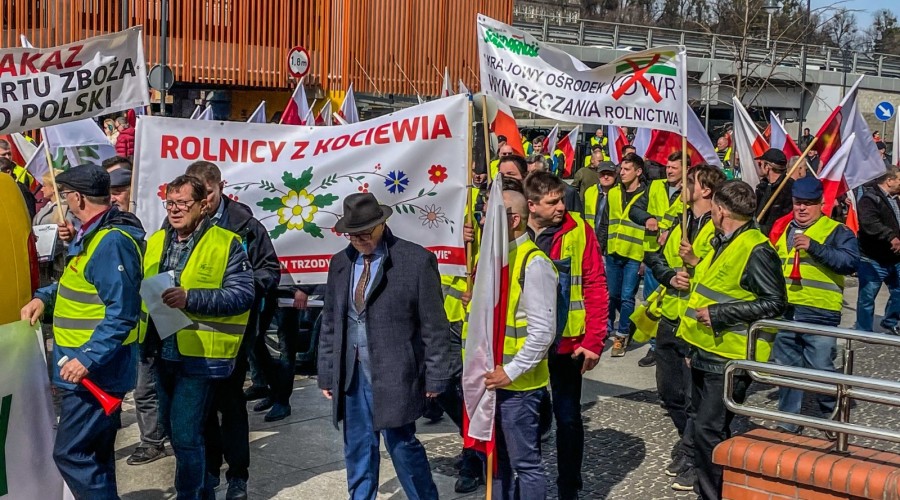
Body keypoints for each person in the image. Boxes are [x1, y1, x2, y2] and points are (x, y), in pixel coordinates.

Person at [20, 163, 144, 499]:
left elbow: (123, 312)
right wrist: (45, 298)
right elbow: (77, 285)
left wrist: (87, 358)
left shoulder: (110, 241)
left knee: (71, 453)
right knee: (95, 456)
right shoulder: (92, 234)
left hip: (93, 371)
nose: (64, 202)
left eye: (65, 195)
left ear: (77, 197)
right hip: (88, 367)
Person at [317, 193, 451, 500]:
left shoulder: (415, 260)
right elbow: (331, 323)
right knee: (358, 448)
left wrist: (436, 376)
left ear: (382, 224)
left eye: (366, 232)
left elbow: (434, 325)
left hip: (396, 373)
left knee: (402, 446)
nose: (360, 240)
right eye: (353, 235)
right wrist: (327, 372)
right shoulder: (340, 263)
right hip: (352, 376)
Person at [140, 174, 255, 499]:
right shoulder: (155, 241)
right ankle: (204, 489)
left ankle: (190, 494)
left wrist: (191, 298)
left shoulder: (226, 242)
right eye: (170, 203)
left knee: (186, 434)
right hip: (162, 353)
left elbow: (243, 295)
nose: (175, 210)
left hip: (202, 356)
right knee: (176, 432)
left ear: (203, 205)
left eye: (183, 203)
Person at [676, 180, 787, 500]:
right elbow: (720, 284)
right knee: (701, 426)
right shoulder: (723, 240)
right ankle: (705, 489)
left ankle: (713, 494)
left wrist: (720, 313)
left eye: (713, 206)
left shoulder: (757, 248)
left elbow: (776, 302)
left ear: (721, 211)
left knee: (708, 431)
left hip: (730, 355)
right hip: (705, 349)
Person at [184, 161, 280, 499]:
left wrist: (239, 287)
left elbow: (269, 270)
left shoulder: (246, 226)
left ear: (221, 187)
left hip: (233, 333)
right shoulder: (182, 224)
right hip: (192, 332)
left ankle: (238, 475)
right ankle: (210, 469)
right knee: (203, 407)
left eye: (209, 193)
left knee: (231, 403)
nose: (204, 201)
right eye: (198, 195)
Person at [640, 165, 725, 492]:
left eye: (691, 181)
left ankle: (693, 455)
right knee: (669, 392)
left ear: (706, 190)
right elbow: (656, 257)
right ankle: (687, 441)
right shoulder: (681, 220)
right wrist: (668, 275)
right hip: (670, 316)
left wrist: (694, 265)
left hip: (696, 323)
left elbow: (721, 274)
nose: (683, 185)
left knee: (694, 399)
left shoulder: (718, 228)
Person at [524, 171, 608, 500]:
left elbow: (595, 285)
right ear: (532, 205)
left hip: (568, 344)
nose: (561, 206)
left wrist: (594, 341)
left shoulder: (579, 230)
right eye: (553, 202)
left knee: (569, 418)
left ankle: (568, 486)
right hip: (524, 342)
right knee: (527, 416)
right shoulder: (512, 230)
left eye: (561, 199)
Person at [772, 176, 859, 433]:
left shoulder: (837, 231)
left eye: (808, 203)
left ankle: (831, 416)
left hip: (820, 312)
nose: (801, 208)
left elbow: (849, 263)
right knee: (787, 370)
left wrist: (814, 247)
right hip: (788, 311)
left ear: (821, 203)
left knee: (821, 369)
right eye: (798, 202)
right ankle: (788, 423)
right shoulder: (785, 229)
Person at [486, 188, 558, 499]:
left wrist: (511, 371)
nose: (484, 222)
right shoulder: (497, 257)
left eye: (491, 216)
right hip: (492, 382)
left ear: (514, 220)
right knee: (496, 462)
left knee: (525, 464)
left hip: (520, 387)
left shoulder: (534, 263)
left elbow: (543, 332)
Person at [635, 152, 687, 367]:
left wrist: (671, 230)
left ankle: (676, 346)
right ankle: (655, 347)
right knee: (653, 304)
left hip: (677, 260)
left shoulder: (690, 192)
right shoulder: (655, 186)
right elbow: (635, 209)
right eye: (668, 166)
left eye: (674, 167)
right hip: (654, 256)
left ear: (685, 169)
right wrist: (647, 218)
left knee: (674, 306)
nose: (669, 170)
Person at [597, 153, 648, 357]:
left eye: (627, 169)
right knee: (611, 294)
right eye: (622, 169)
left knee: (627, 297)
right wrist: (600, 248)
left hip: (635, 254)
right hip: (613, 251)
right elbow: (605, 222)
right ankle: (619, 326)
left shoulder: (646, 194)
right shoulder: (614, 192)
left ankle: (622, 335)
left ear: (638, 172)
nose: (622, 173)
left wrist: (646, 257)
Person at [855, 166, 900, 334]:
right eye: (899, 179)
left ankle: (891, 322)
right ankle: (863, 330)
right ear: (889, 181)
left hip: (895, 257)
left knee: (898, 291)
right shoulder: (869, 199)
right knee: (867, 297)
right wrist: (890, 236)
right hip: (872, 258)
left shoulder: (895, 199)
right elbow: (870, 223)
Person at [754, 148, 793, 237]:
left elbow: (781, 221)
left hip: (774, 237)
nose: (759, 167)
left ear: (768, 167)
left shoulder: (788, 189)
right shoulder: (762, 187)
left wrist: (762, 229)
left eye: (760, 164)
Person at [582, 161, 617, 231]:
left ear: (615, 175)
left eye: (609, 174)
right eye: (602, 174)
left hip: (611, 235)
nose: (606, 177)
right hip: (591, 235)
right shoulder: (589, 192)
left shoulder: (620, 192)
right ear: (598, 175)